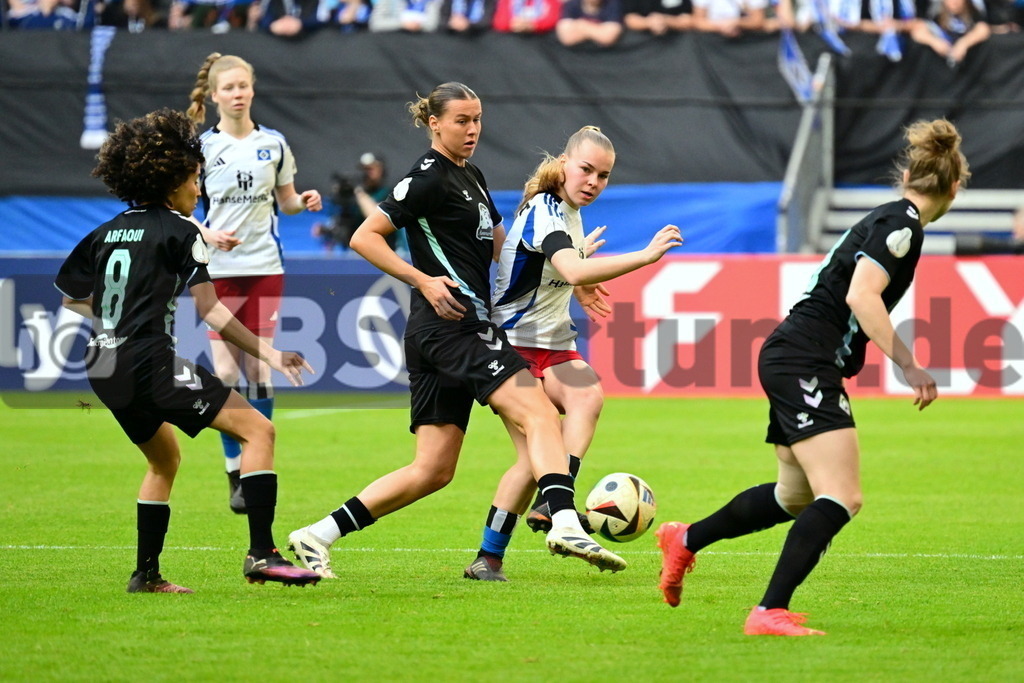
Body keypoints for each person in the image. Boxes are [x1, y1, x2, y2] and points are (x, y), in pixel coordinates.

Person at [286, 82, 629, 580]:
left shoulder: (473, 176)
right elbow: (366, 237)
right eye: (462, 121)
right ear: (435, 124)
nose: (472, 130)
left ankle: (317, 534)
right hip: (454, 326)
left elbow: (504, 248)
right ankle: (564, 520)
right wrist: (422, 279)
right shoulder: (427, 176)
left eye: (478, 120)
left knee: (433, 471)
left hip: (441, 333)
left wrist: (565, 274)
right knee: (540, 414)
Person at [656, 118, 970, 636]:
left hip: (794, 354)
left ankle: (686, 539)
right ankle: (767, 611)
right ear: (954, 186)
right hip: (804, 359)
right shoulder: (903, 226)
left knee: (795, 497)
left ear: (910, 173)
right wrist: (909, 363)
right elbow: (862, 296)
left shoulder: (889, 215)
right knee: (843, 495)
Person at [53, 108, 320, 593]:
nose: (199, 191)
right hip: (147, 362)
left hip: (103, 362)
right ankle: (263, 554)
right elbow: (213, 313)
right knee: (259, 430)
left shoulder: (106, 230)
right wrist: (272, 355)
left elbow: (72, 297)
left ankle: (146, 575)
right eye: (195, 180)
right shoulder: (182, 231)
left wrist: (116, 320)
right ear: (171, 179)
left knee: (164, 460)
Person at [464, 126, 683, 581]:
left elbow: (560, 269)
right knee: (531, 460)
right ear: (563, 163)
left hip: (556, 345)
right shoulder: (546, 209)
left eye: (603, 176)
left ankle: (550, 501)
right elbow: (568, 264)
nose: (593, 182)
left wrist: (580, 287)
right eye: (586, 169)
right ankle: (489, 556)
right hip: (512, 346)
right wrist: (643, 257)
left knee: (588, 398)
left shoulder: (569, 212)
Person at [186, 52, 322, 514]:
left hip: (264, 267)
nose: (238, 94)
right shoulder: (201, 148)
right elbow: (182, 209)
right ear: (214, 96)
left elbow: (285, 203)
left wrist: (303, 200)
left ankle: (253, 467)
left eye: (244, 86)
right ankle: (233, 471)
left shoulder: (275, 145)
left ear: (252, 89)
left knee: (259, 371)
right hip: (217, 271)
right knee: (226, 373)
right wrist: (207, 233)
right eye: (229, 88)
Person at [909, 0, 991, 66]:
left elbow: (983, 29)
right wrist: (934, 42)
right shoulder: (936, 15)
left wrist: (964, 43)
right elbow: (918, 32)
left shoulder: (973, 15)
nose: (954, 2)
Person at [556, 0, 625, 45]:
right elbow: (566, 37)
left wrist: (581, 25)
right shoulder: (572, 4)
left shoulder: (613, 3)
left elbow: (608, 37)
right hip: (576, 58)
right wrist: (598, 30)